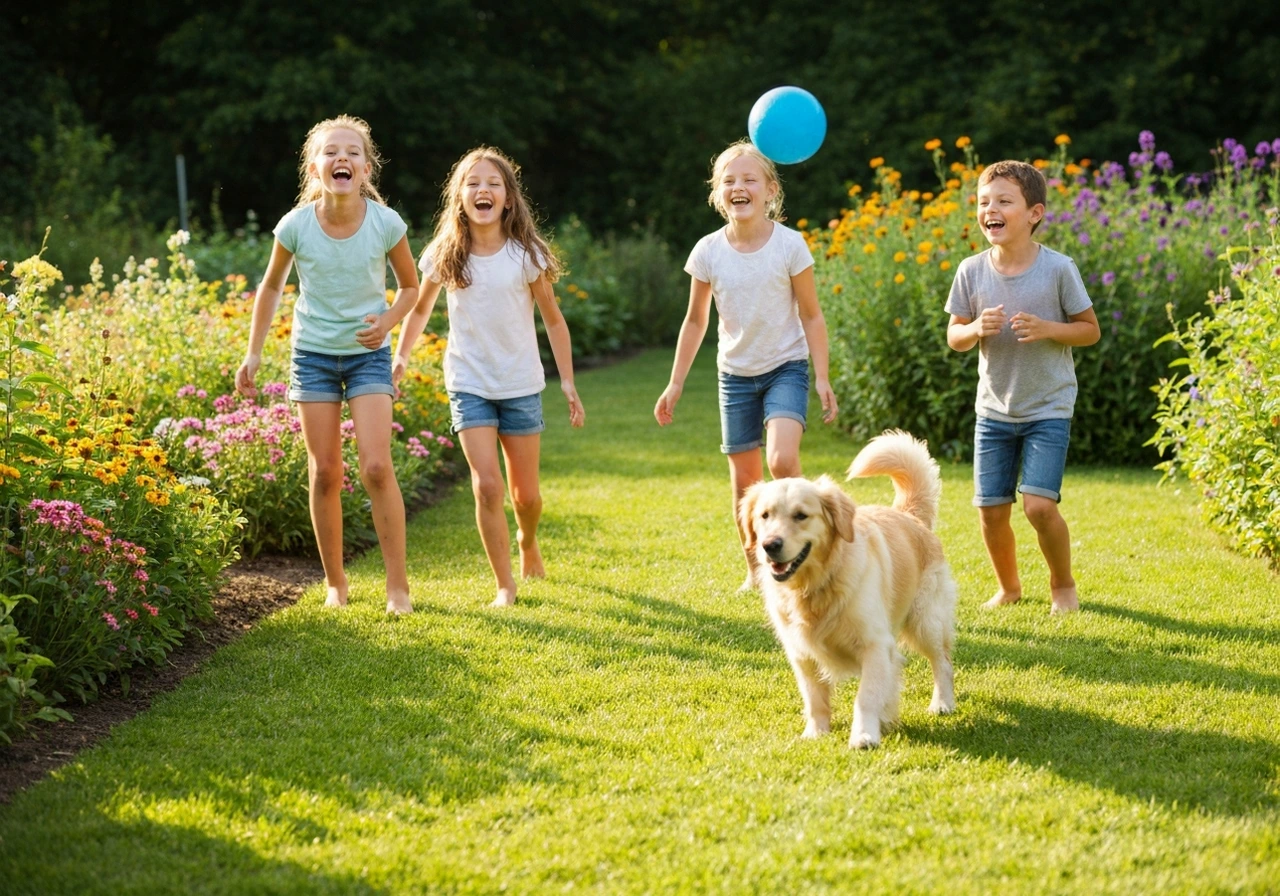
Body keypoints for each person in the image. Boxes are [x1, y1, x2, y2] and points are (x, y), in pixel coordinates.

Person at [235, 114, 420, 615]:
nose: (343, 157)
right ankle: (336, 584)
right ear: (315, 167)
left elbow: (410, 287)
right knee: (325, 474)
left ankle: (397, 587)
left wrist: (387, 322)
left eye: (353, 152)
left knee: (377, 467)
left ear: (366, 167)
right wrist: (254, 350)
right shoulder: (296, 225)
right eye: (331, 151)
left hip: (367, 356)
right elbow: (272, 286)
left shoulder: (386, 223)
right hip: (313, 357)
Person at [393, 146, 585, 608]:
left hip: (520, 384)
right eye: (473, 183)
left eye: (493, 183)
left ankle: (528, 539)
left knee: (527, 496)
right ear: (459, 197)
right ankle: (505, 585)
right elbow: (420, 310)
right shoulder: (445, 254)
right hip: (469, 382)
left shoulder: (527, 256)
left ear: (509, 199)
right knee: (487, 485)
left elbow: (554, 320)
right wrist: (400, 356)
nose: (483, 189)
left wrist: (568, 381)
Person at [654, 140, 838, 590]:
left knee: (782, 457)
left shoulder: (791, 246)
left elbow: (812, 314)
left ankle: (801, 552)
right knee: (745, 486)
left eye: (749, 179)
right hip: (735, 376)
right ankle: (757, 570)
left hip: (785, 367)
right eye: (729, 181)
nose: (739, 187)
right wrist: (675, 383)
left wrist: (823, 377)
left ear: (771, 191)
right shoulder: (708, 252)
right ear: (718, 194)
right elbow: (696, 321)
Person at [945, 159, 1101, 615]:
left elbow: (1089, 330)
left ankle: (1062, 586)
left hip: (1048, 407)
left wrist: (1049, 328)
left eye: (1003, 202)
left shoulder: (1057, 269)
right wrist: (974, 328)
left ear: (1034, 213)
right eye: (984, 202)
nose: (990, 210)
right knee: (991, 510)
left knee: (1038, 506)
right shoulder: (971, 271)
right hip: (994, 410)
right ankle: (1009, 588)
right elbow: (954, 337)